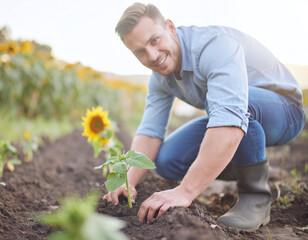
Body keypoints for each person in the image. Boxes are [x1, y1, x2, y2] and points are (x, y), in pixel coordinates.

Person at [103, 2, 306, 231]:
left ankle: (255, 197)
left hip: (285, 111)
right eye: (140, 51)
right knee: (167, 160)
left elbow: (231, 113)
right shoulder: (159, 77)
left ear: (170, 27)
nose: (152, 55)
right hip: (233, 113)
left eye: (154, 40)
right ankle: (244, 163)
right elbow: (150, 131)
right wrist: (128, 180)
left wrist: (185, 191)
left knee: (224, 102)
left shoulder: (214, 46)